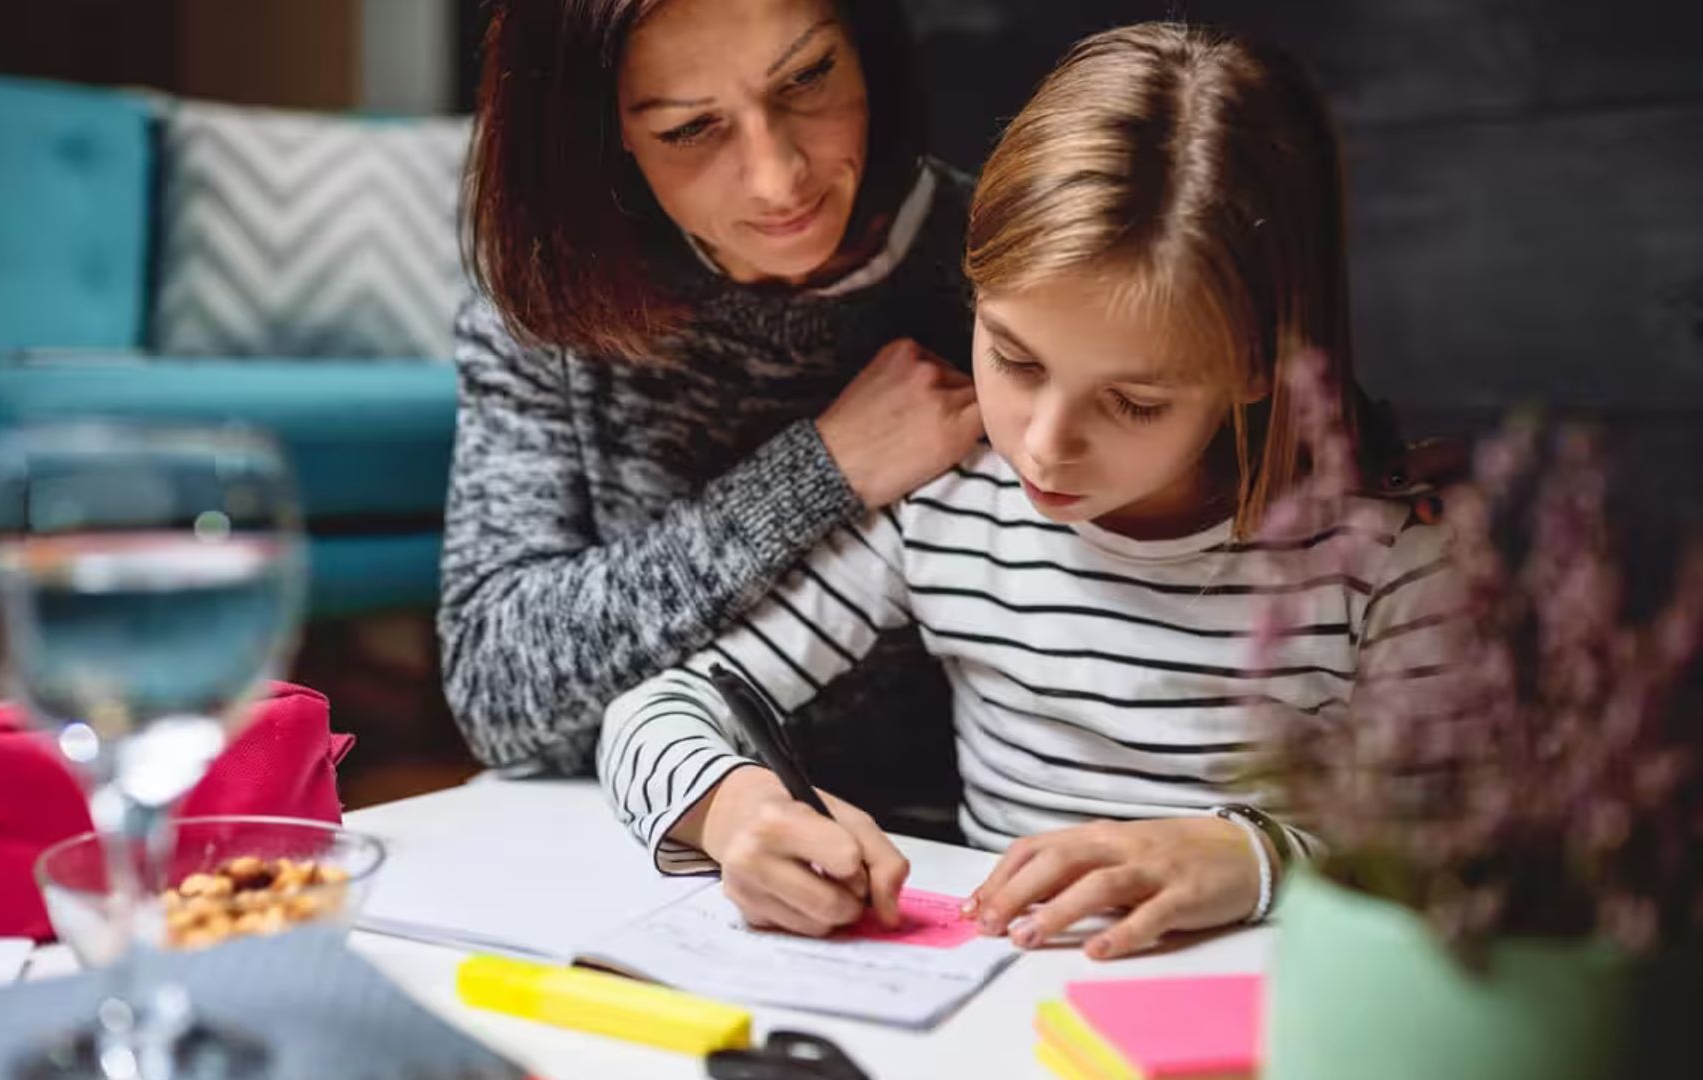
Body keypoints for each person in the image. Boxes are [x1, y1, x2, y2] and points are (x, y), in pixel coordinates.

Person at [598, 22, 1453, 960]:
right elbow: (651, 713)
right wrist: (735, 811)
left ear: (1258, 364)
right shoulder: (947, 507)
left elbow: (1456, 853)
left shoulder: (1388, 558)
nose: (1043, 447)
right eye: (1014, 358)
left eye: (1132, 403)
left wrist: (1252, 859)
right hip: (992, 1005)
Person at [439, 0, 985, 828]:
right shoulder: (552, 304)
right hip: (639, 838)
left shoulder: (1010, 270)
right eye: (690, 128)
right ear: (604, 131)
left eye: (807, 78)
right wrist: (820, 471)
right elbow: (499, 700)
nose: (778, 179)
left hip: (944, 853)